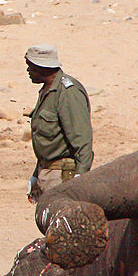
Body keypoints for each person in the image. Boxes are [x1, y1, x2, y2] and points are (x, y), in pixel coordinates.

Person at [25, 44, 93, 202]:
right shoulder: (47, 91)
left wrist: (80, 177)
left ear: (43, 68)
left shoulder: (68, 92)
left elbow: (82, 138)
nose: (28, 71)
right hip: (47, 173)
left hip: (63, 177)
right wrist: (36, 175)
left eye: (31, 67)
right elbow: (48, 140)